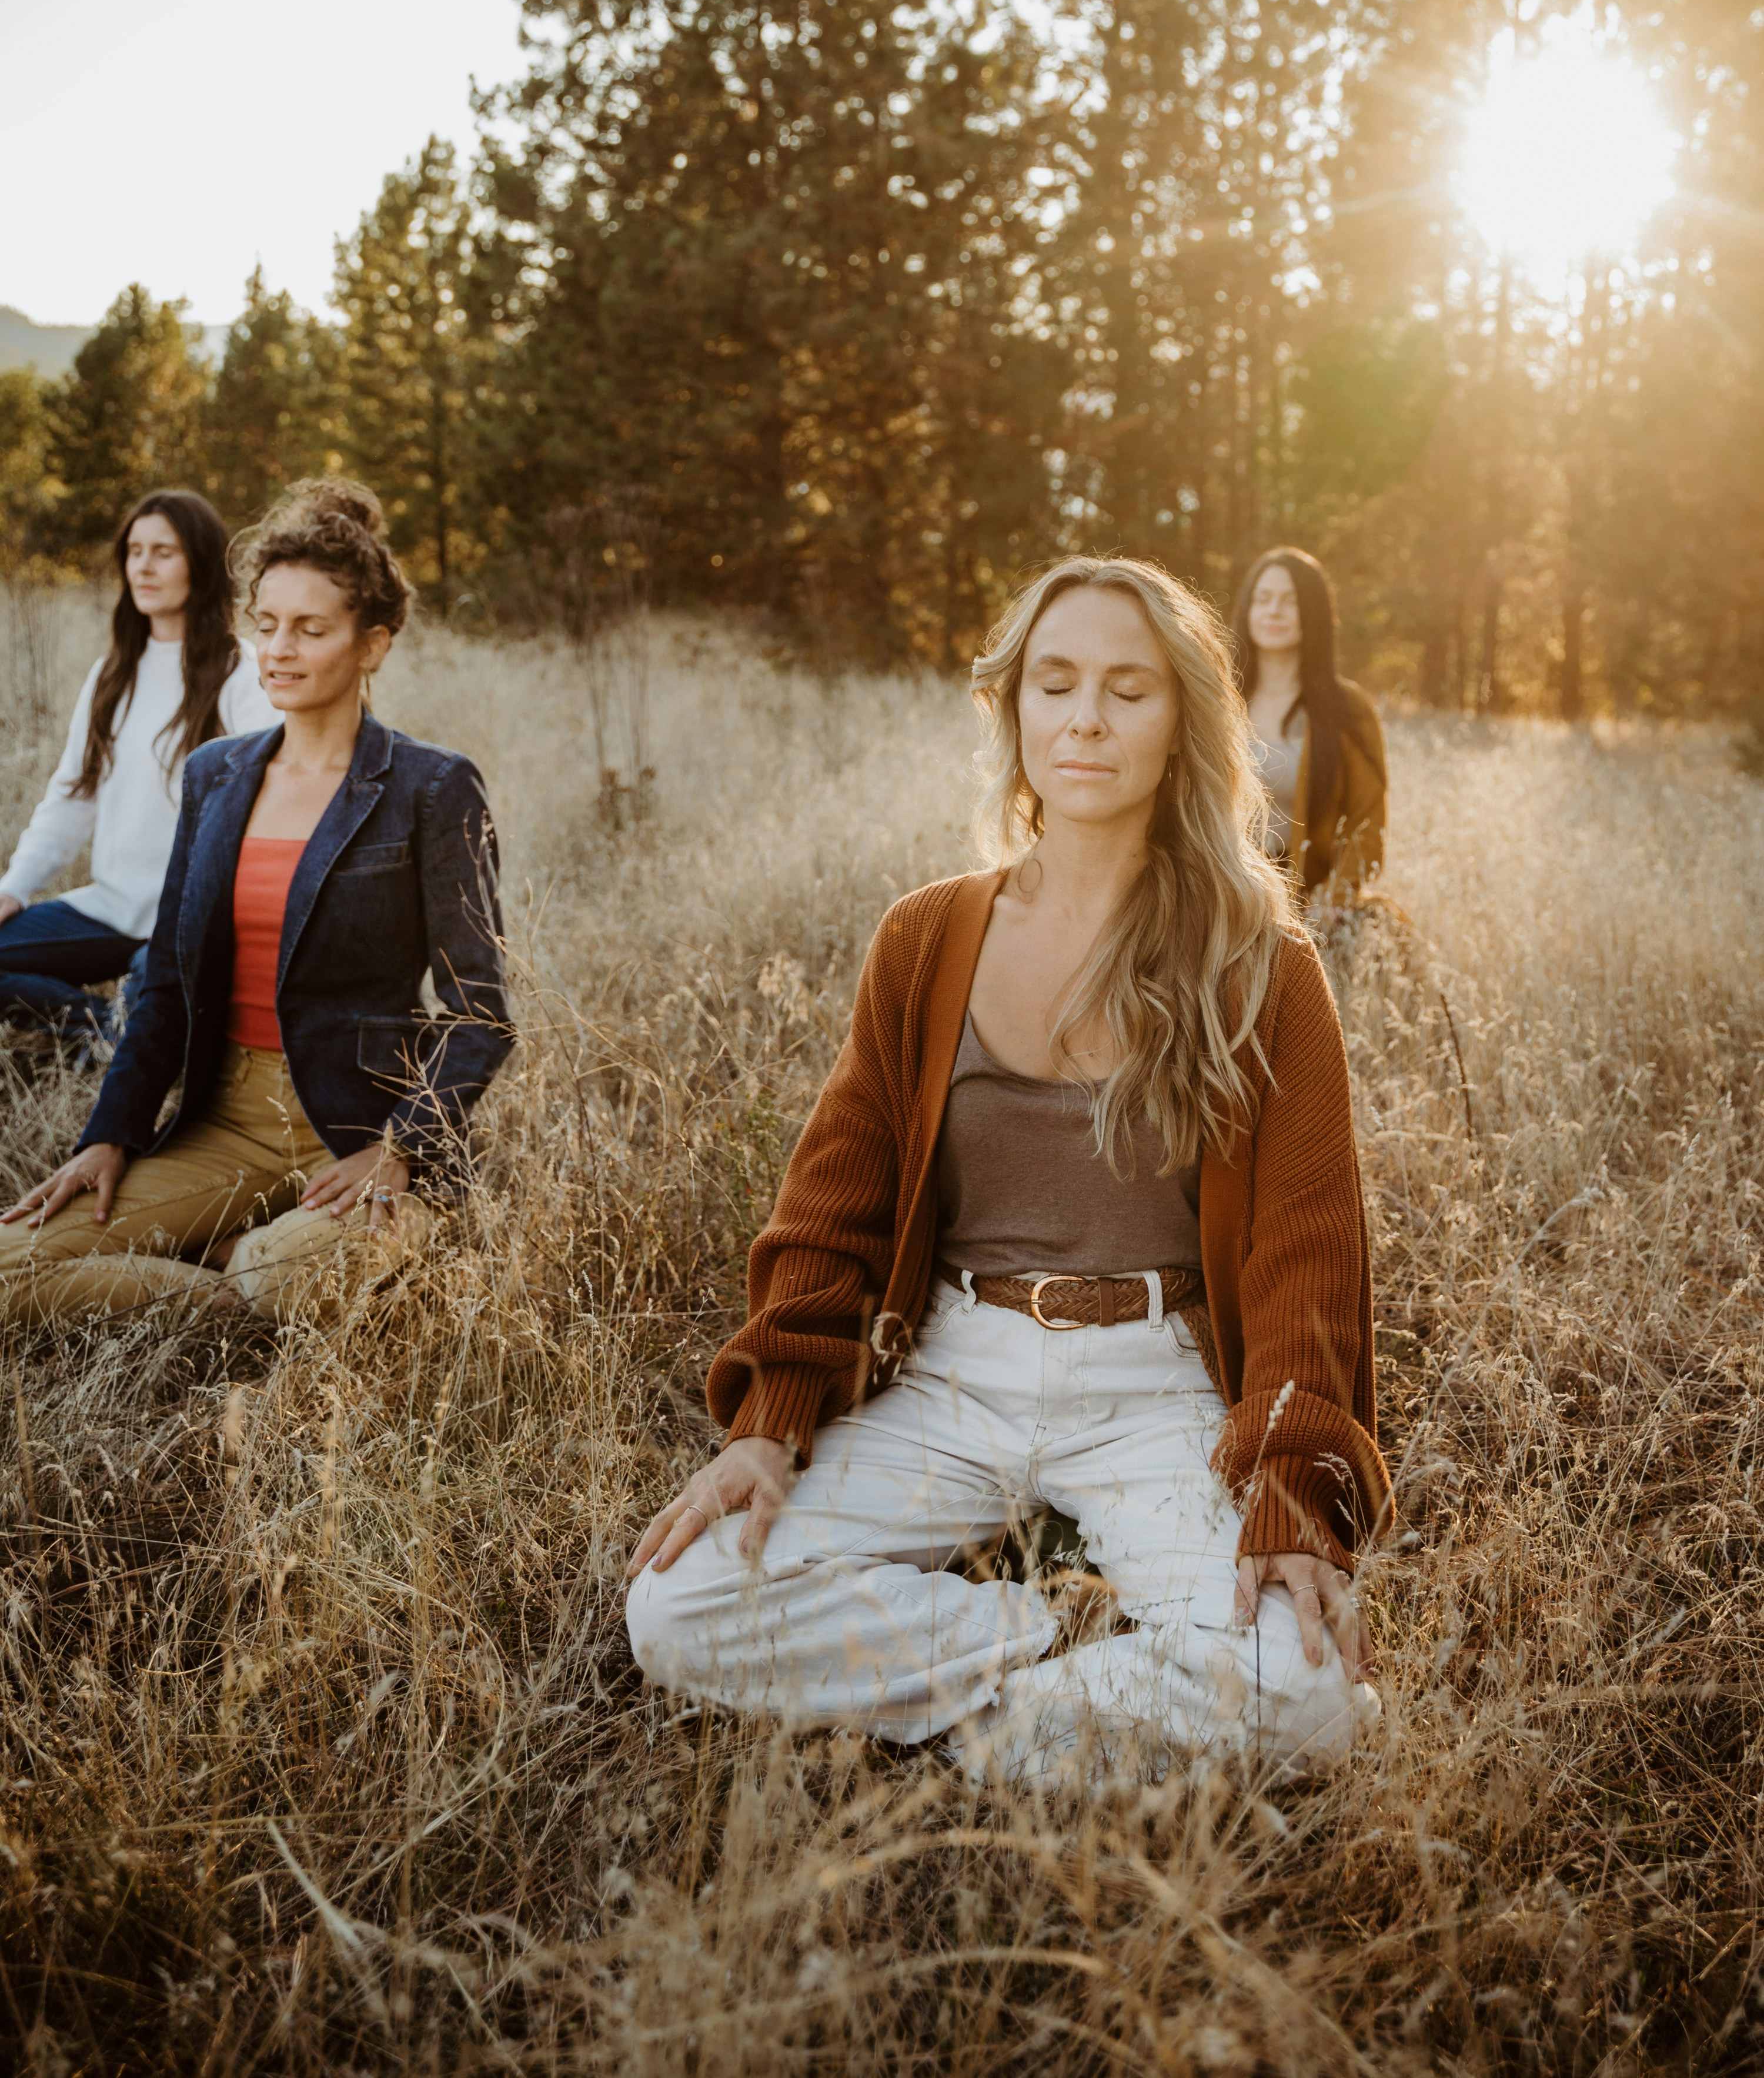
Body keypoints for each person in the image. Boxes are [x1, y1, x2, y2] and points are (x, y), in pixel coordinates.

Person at [626, 556, 1391, 1789]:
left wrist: (1292, 1487)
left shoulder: (1264, 963)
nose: (1087, 717)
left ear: (1184, 719)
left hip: (1158, 1387)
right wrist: (771, 1423)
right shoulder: (928, 936)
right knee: (679, 1606)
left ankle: (997, 1734)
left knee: (1309, 1699)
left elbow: (1310, 1245)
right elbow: (838, 1198)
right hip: (953, 1370)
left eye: (1129, 690)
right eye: (1058, 683)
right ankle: (1052, 1643)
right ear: (1015, 709)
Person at [0, 479, 512, 1327]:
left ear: (373, 644)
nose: (279, 649)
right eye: (266, 625)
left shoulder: (431, 786)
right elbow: (163, 977)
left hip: (359, 1125)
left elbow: (480, 1011)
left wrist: (403, 1150)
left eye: (311, 630)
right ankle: (223, 1272)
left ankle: (265, 1262)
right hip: (227, 1122)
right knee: (10, 1263)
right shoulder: (217, 775)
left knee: (283, 1279)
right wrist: (110, 1135)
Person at [0, 490, 277, 1042]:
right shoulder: (113, 673)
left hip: (187, 925)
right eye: (135, 551)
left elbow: (266, 814)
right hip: (108, 908)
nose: (144, 567)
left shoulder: (242, 673)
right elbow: (72, 797)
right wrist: (14, 889)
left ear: (199, 562)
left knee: (169, 1015)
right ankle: (107, 1029)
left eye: (164, 552)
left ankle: (136, 1027)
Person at [1231, 547, 1387, 902]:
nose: (1273, 611)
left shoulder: (1349, 709)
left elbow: (1368, 828)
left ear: (1314, 612)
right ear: (1248, 609)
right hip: (1223, 896)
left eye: (1290, 601)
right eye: (1264, 598)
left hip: (1308, 902)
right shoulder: (1217, 697)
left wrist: (1330, 903)